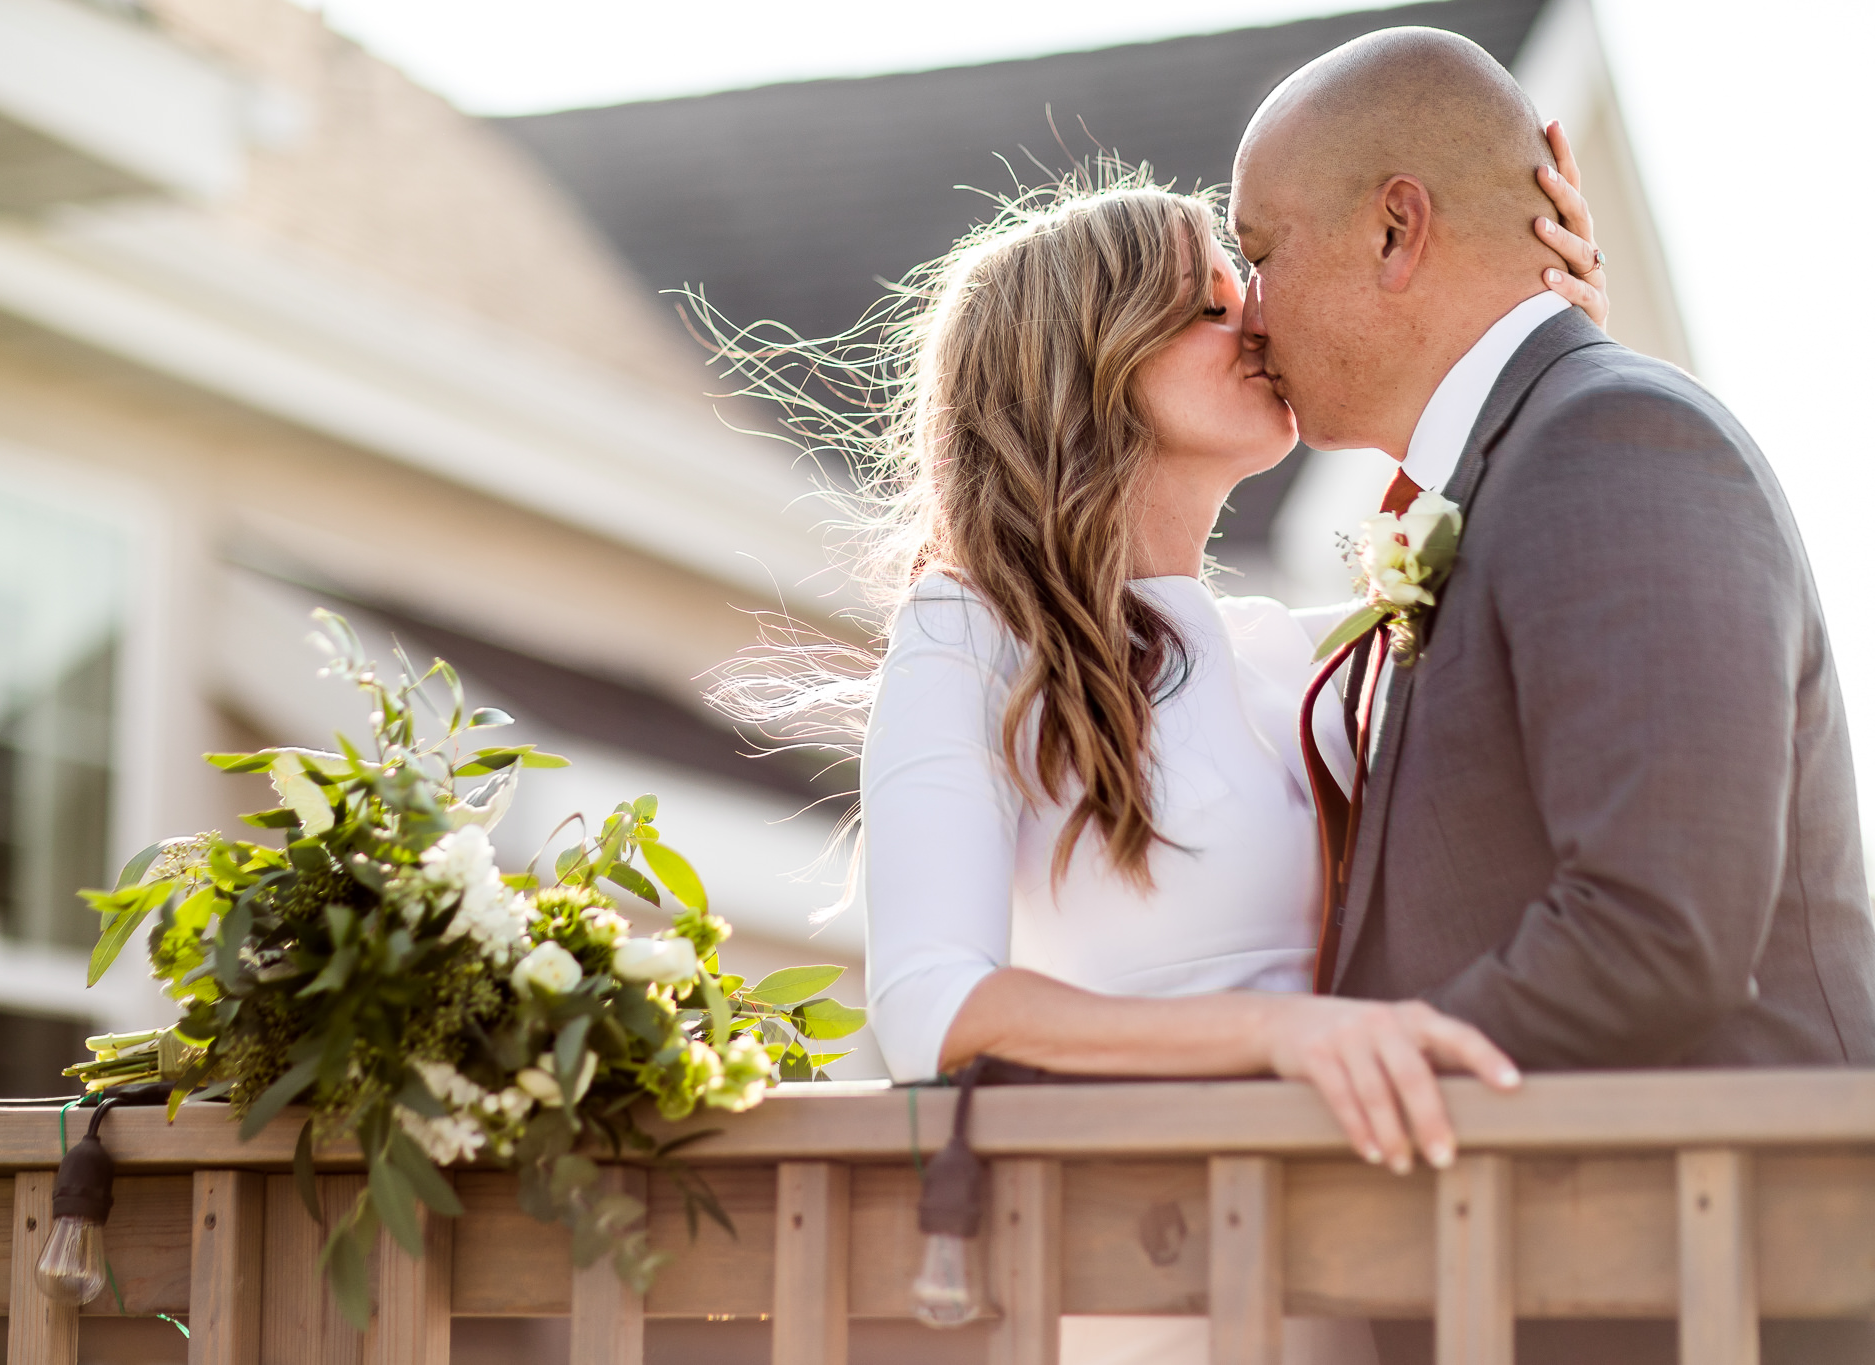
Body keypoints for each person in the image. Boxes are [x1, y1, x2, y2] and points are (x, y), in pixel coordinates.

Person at [704, 131, 1594, 1364]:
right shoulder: (969, 636)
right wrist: (1281, 1033)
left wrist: (1529, 354)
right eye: (1211, 303)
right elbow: (929, 1006)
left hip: (1365, 1260)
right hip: (1155, 1273)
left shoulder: (1295, 653)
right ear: (1092, 358)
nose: (1262, 323)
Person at [1229, 27, 1875, 1365]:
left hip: (1696, 1299)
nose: (1247, 306)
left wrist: (1336, 1091)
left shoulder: (1615, 444)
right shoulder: (1528, 462)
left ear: (1397, 230)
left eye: (1262, 248)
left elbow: (1659, 925)